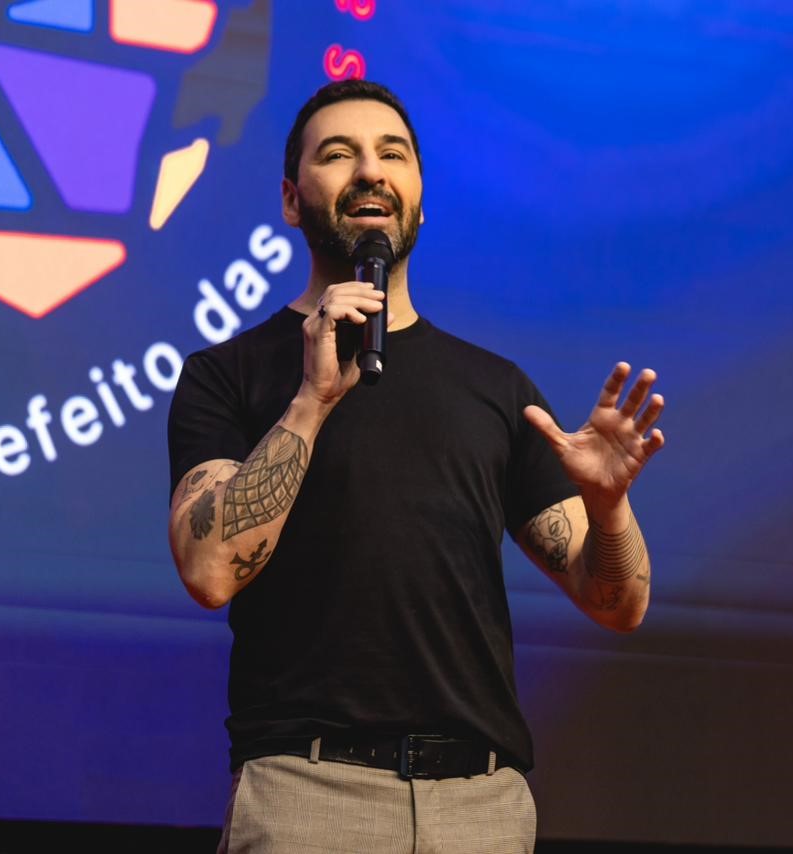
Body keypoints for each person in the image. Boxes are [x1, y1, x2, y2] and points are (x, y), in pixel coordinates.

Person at [167, 79, 664, 853]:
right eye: (339, 154)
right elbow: (209, 572)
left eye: (392, 154)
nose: (371, 170)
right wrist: (310, 400)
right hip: (310, 796)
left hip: (481, 806)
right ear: (294, 201)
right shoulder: (227, 376)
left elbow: (617, 602)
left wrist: (607, 507)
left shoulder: (495, 390)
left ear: (419, 202)